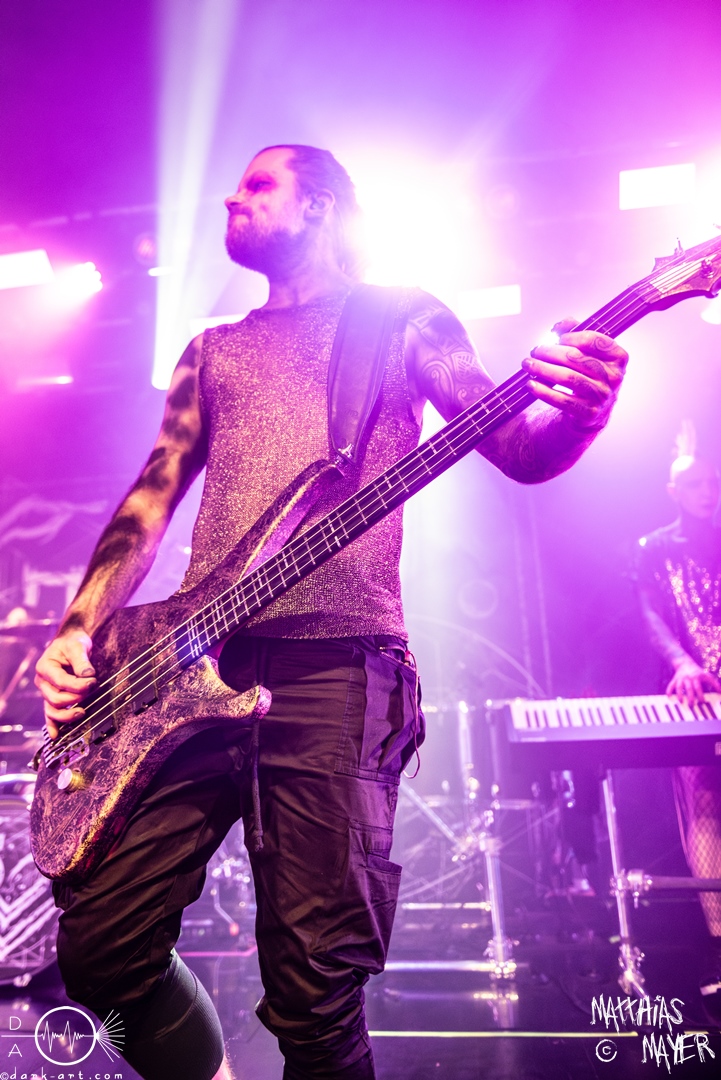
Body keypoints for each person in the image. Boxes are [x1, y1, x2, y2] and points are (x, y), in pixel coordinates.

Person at [34, 144, 628, 1080]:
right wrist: (77, 627)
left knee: (314, 992)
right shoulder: (211, 350)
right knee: (100, 947)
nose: (230, 198)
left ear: (317, 207)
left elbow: (518, 444)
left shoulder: (402, 317)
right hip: (192, 669)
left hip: (340, 669)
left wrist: (580, 412)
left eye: (257, 184)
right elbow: (151, 497)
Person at [637, 447, 721, 1020]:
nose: (707, 491)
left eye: (712, 481)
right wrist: (683, 664)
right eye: (694, 483)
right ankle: (718, 950)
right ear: (673, 491)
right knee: (704, 809)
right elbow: (650, 615)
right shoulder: (654, 548)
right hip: (693, 696)